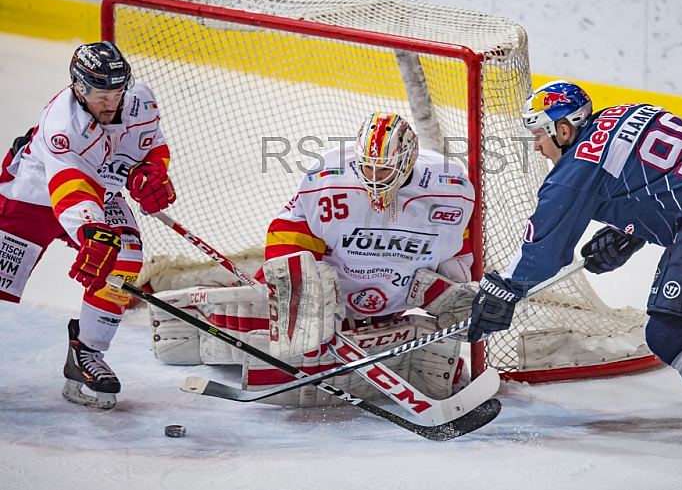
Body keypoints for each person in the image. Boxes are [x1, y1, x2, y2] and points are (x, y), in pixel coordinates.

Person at [468, 80, 682, 463]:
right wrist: (632, 230)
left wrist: (506, 288)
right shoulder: (623, 111)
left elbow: (544, 251)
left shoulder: (574, 170)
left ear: (563, 129)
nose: (537, 146)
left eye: (539, 133)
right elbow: (666, 172)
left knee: (667, 332)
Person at [147, 112, 476, 406]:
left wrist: (457, 297)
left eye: (384, 170)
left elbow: (457, 254)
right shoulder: (329, 179)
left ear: (408, 162)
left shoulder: (450, 187)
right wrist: (296, 292)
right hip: (329, 295)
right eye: (367, 167)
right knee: (273, 328)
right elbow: (287, 230)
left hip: (395, 298)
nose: (373, 177)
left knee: (428, 325)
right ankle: (199, 316)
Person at [0, 41, 176, 409]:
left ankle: (88, 353)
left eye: (117, 92)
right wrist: (91, 231)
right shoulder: (61, 124)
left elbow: (152, 146)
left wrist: (151, 174)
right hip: (30, 196)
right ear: (79, 88)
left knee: (124, 260)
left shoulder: (140, 100)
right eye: (101, 94)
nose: (111, 103)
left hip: (101, 196)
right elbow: (70, 187)